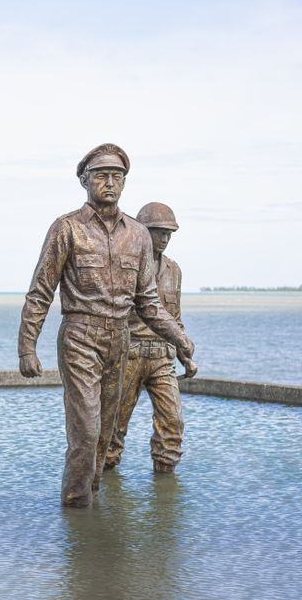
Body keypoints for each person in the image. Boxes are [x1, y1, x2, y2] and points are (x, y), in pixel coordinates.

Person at [18, 144, 196, 508]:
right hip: (80, 337)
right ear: (85, 181)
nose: (109, 183)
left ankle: (90, 508)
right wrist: (27, 346)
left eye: (117, 177)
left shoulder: (138, 234)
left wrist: (179, 338)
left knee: (104, 436)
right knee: (86, 431)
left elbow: (148, 301)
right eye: (101, 176)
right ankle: (76, 511)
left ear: (125, 183)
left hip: (120, 339)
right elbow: (40, 292)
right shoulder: (66, 228)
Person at [105, 202, 198, 473]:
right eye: (159, 232)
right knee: (112, 431)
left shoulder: (173, 271)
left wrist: (185, 358)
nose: (164, 239)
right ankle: (104, 495)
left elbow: (175, 320)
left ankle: (165, 499)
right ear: (143, 232)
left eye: (169, 234)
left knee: (172, 427)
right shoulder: (124, 266)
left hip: (162, 357)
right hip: (128, 355)